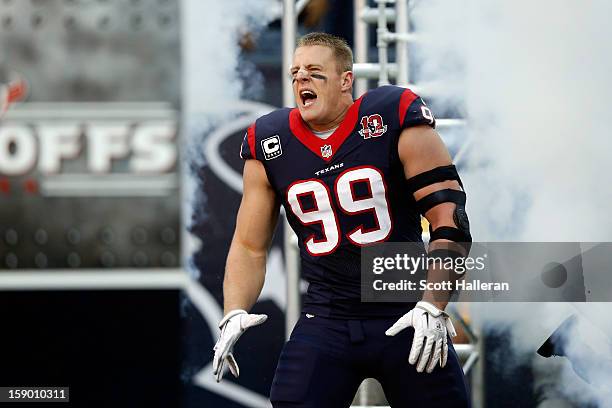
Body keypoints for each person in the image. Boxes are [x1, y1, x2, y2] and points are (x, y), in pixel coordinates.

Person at [213, 32, 471, 407]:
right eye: (295, 72)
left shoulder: (391, 114)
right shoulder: (271, 141)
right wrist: (234, 310)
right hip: (328, 316)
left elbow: (450, 218)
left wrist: (432, 304)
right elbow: (249, 246)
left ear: (345, 80)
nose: (301, 78)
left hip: (406, 308)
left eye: (315, 71)